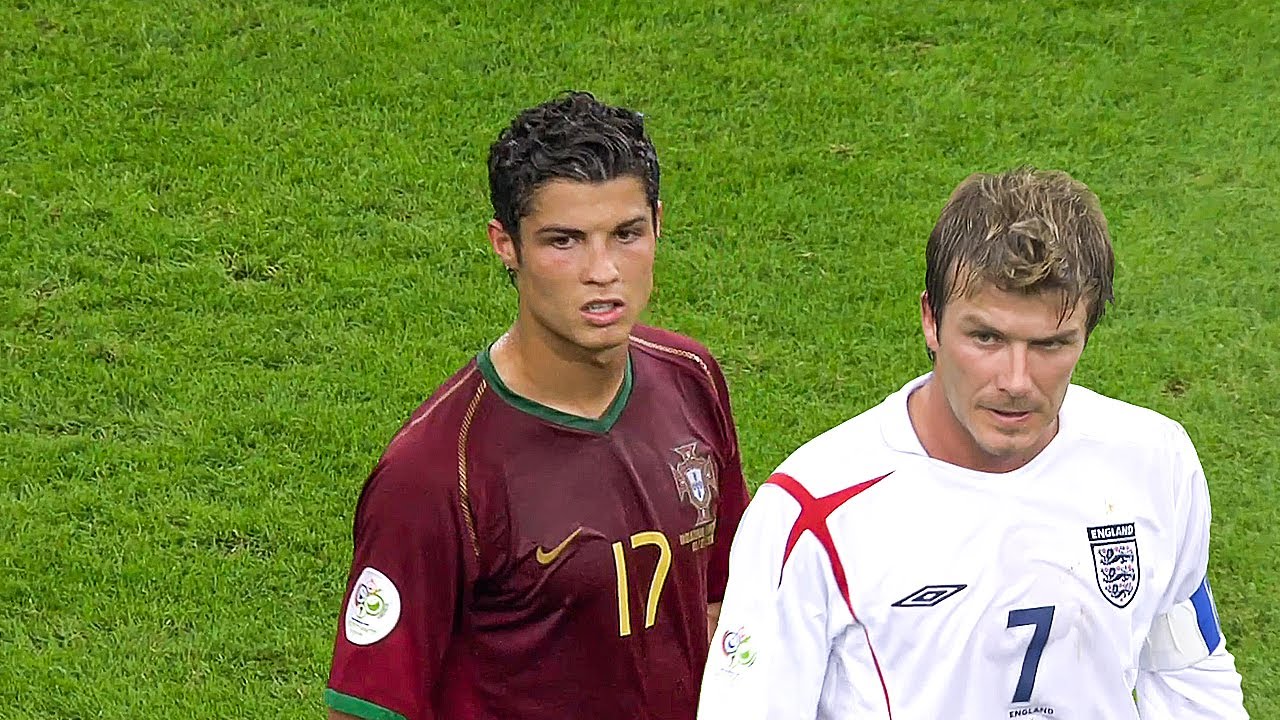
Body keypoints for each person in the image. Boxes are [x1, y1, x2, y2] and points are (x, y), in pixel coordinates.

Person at [697, 167, 1247, 719]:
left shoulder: (1154, 461)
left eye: (1051, 344)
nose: (1015, 380)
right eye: (986, 337)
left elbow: (1185, 668)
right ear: (931, 322)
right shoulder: (812, 514)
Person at [325, 91, 750, 720]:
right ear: (506, 244)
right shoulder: (439, 472)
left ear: (658, 224)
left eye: (626, 234)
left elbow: (719, 602)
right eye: (564, 241)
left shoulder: (692, 378)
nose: (603, 270)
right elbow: (366, 706)